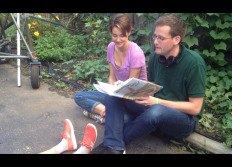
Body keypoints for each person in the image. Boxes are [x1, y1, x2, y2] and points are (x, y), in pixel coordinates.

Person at [91, 13, 207, 154]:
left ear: (177, 39)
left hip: (182, 121)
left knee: (155, 111)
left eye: (161, 38)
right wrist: (126, 88)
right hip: (154, 109)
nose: (156, 42)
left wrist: (157, 101)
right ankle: (115, 148)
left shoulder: (194, 63)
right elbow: (151, 89)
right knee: (113, 95)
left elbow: (195, 108)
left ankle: (114, 142)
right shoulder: (155, 57)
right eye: (155, 36)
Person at [74, 13, 147, 124]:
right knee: (79, 97)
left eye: (122, 35)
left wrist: (116, 92)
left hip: (133, 100)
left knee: (126, 120)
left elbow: (131, 87)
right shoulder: (111, 47)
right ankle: (105, 112)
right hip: (116, 95)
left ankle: (102, 115)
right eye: (114, 35)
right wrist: (112, 92)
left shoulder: (136, 53)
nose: (118, 40)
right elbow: (112, 77)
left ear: (129, 32)